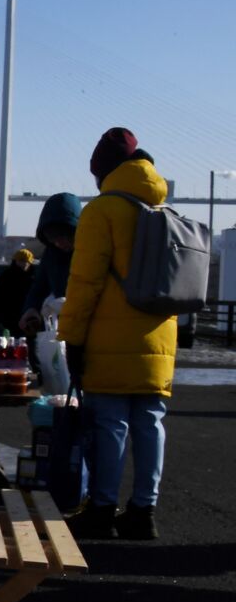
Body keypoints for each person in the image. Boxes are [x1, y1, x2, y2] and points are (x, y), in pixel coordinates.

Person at [59, 128, 175, 540]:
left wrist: (71, 337)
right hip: (159, 335)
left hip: (110, 338)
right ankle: (144, 510)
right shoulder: (163, 209)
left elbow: (85, 282)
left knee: (111, 424)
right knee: (150, 423)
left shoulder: (102, 211)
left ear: (104, 171)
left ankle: (103, 507)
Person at [20, 192, 82, 333]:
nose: (59, 243)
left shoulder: (90, 252)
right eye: (52, 237)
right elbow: (39, 287)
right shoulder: (51, 254)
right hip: (60, 327)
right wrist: (31, 309)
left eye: (64, 236)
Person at [0, 248, 34, 339]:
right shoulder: (8, 276)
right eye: (22, 261)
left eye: (26, 261)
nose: (24, 264)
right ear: (16, 261)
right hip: (9, 317)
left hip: (22, 317)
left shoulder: (31, 277)